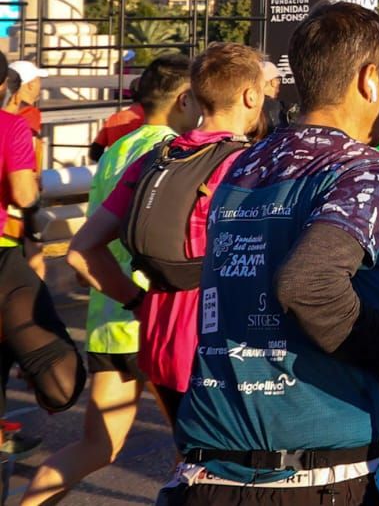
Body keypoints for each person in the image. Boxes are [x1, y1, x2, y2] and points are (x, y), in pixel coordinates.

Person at [163, 3, 379, 505]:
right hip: (317, 474)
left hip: (207, 469)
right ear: (369, 81)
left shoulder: (241, 163)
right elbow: (308, 285)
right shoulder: (365, 169)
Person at [61, 45, 268, 441]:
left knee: (193, 465)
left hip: (160, 341)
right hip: (226, 351)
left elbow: (80, 252)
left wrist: (139, 304)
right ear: (251, 96)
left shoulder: (155, 159)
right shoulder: (250, 164)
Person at [22, 55, 199, 505]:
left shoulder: (121, 145)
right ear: (184, 99)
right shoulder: (172, 151)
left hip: (109, 318)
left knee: (97, 446)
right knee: (202, 453)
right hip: (155, 320)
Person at [0, 51, 84, 447]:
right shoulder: (11, 127)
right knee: (62, 377)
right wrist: (33, 211)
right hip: (2, 252)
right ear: (5, 87)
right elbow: (22, 191)